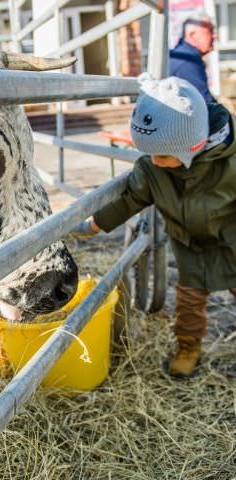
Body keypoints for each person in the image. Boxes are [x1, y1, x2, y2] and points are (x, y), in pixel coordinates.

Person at [76, 74, 235, 378]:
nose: (155, 160)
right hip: (190, 243)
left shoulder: (229, 161)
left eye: (163, 154)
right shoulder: (153, 168)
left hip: (232, 237)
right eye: (149, 152)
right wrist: (96, 223)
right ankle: (188, 347)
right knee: (189, 299)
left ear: (193, 144)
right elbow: (129, 200)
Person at [169, 13, 217, 103]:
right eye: (210, 30)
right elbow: (206, 104)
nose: (214, 36)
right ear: (192, 35)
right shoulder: (187, 60)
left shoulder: (182, 54)